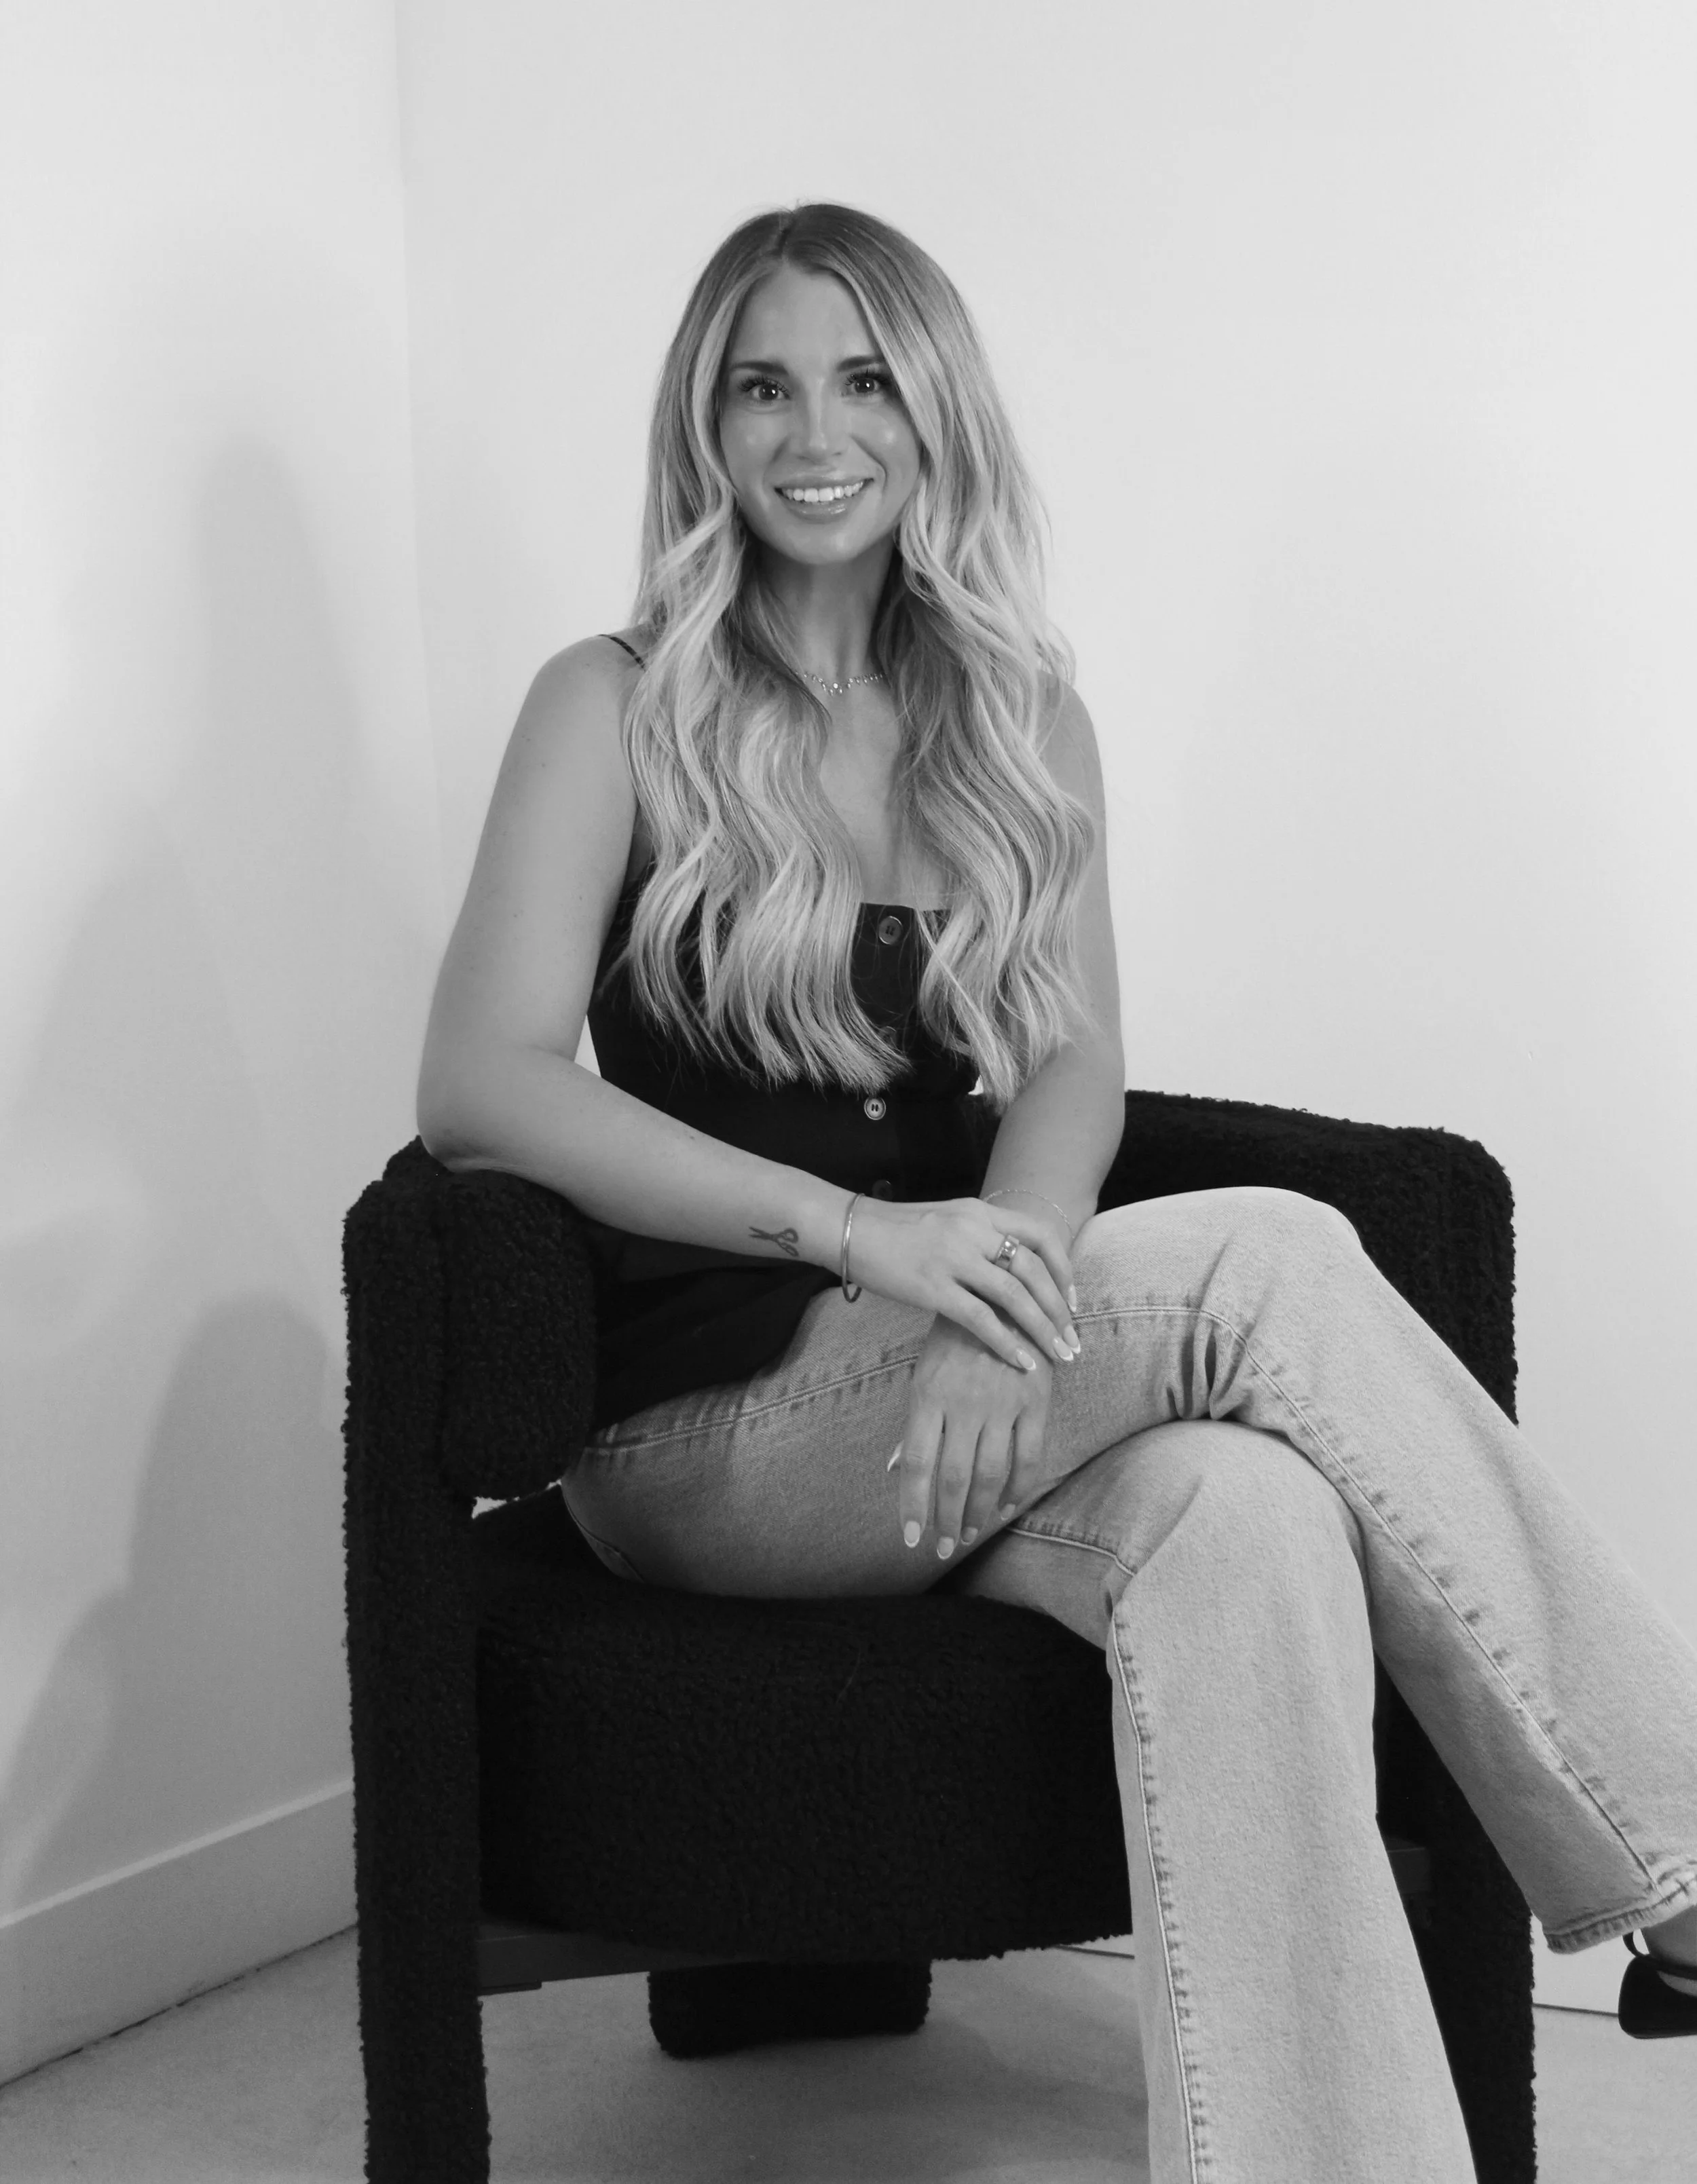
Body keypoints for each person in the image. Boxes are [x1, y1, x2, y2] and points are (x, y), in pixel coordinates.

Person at [416, 202, 1697, 2181]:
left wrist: (999, 1305)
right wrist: (874, 1243)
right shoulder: (613, 702)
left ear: (936, 413)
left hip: (949, 1398)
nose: (813, 434)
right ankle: (1679, 1860)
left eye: (864, 381)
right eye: (761, 387)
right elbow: (480, 1087)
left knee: (1252, 1514)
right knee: (1271, 1258)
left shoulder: (1018, 722)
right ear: (703, 425)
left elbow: (1074, 1067)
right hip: (713, 1439)